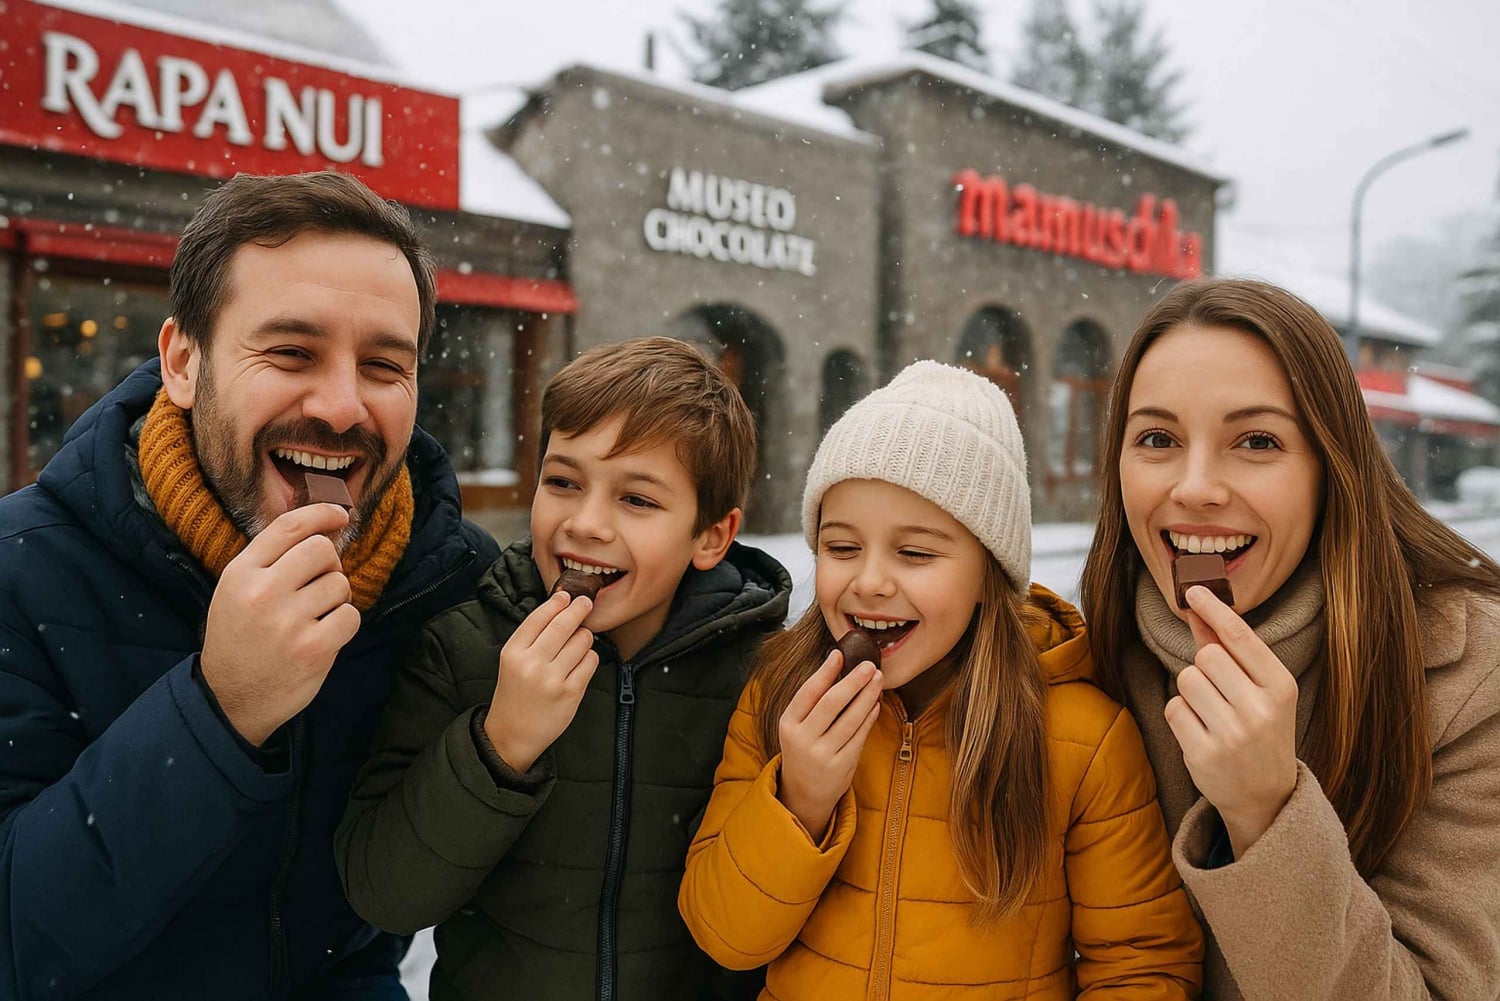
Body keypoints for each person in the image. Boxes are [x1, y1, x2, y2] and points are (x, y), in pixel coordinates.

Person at [0, 171, 500, 1000]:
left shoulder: (452, 581)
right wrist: (219, 709)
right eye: (292, 352)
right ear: (183, 361)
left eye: (385, 364)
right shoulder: (21, 568)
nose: (342, 407)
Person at [678, 360, 1204, 999]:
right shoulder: (781, 697)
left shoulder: (1083, 738)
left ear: (988, 574)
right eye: (842, 548)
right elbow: (726, 937)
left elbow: (1141, 966)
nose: (870, 581)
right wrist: (801, 800)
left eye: (915, 553)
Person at [1079, 277, 1500, 999]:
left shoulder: (1469, 679)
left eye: (1257, 441)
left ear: (1331, 469)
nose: (1196, 487)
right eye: (1157, 438)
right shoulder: (1074, 668)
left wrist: (1265, 811)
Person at [335, 336, 793, 1000]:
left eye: (637, 500)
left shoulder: (763, 677)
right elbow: (385, 894)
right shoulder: (463, 649)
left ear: (711, 535)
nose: (585, 523)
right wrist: (501, 744)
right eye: (563, 482)